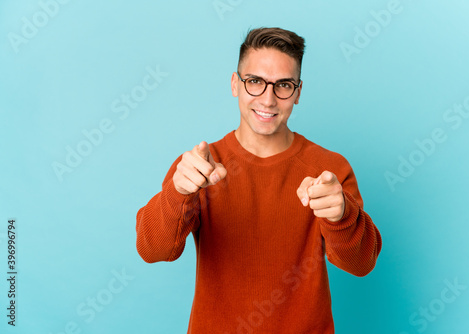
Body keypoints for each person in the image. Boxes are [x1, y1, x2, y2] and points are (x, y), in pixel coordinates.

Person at [136, 27, 382, 333]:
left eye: (283, 85)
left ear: (298, 92)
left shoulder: (329, 170)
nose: (268, 99)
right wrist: (178, 192)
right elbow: (153, 250)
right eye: (255, 82)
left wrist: (342, 215)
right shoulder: (199, 167)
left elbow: (361, 264)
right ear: (235, 85)